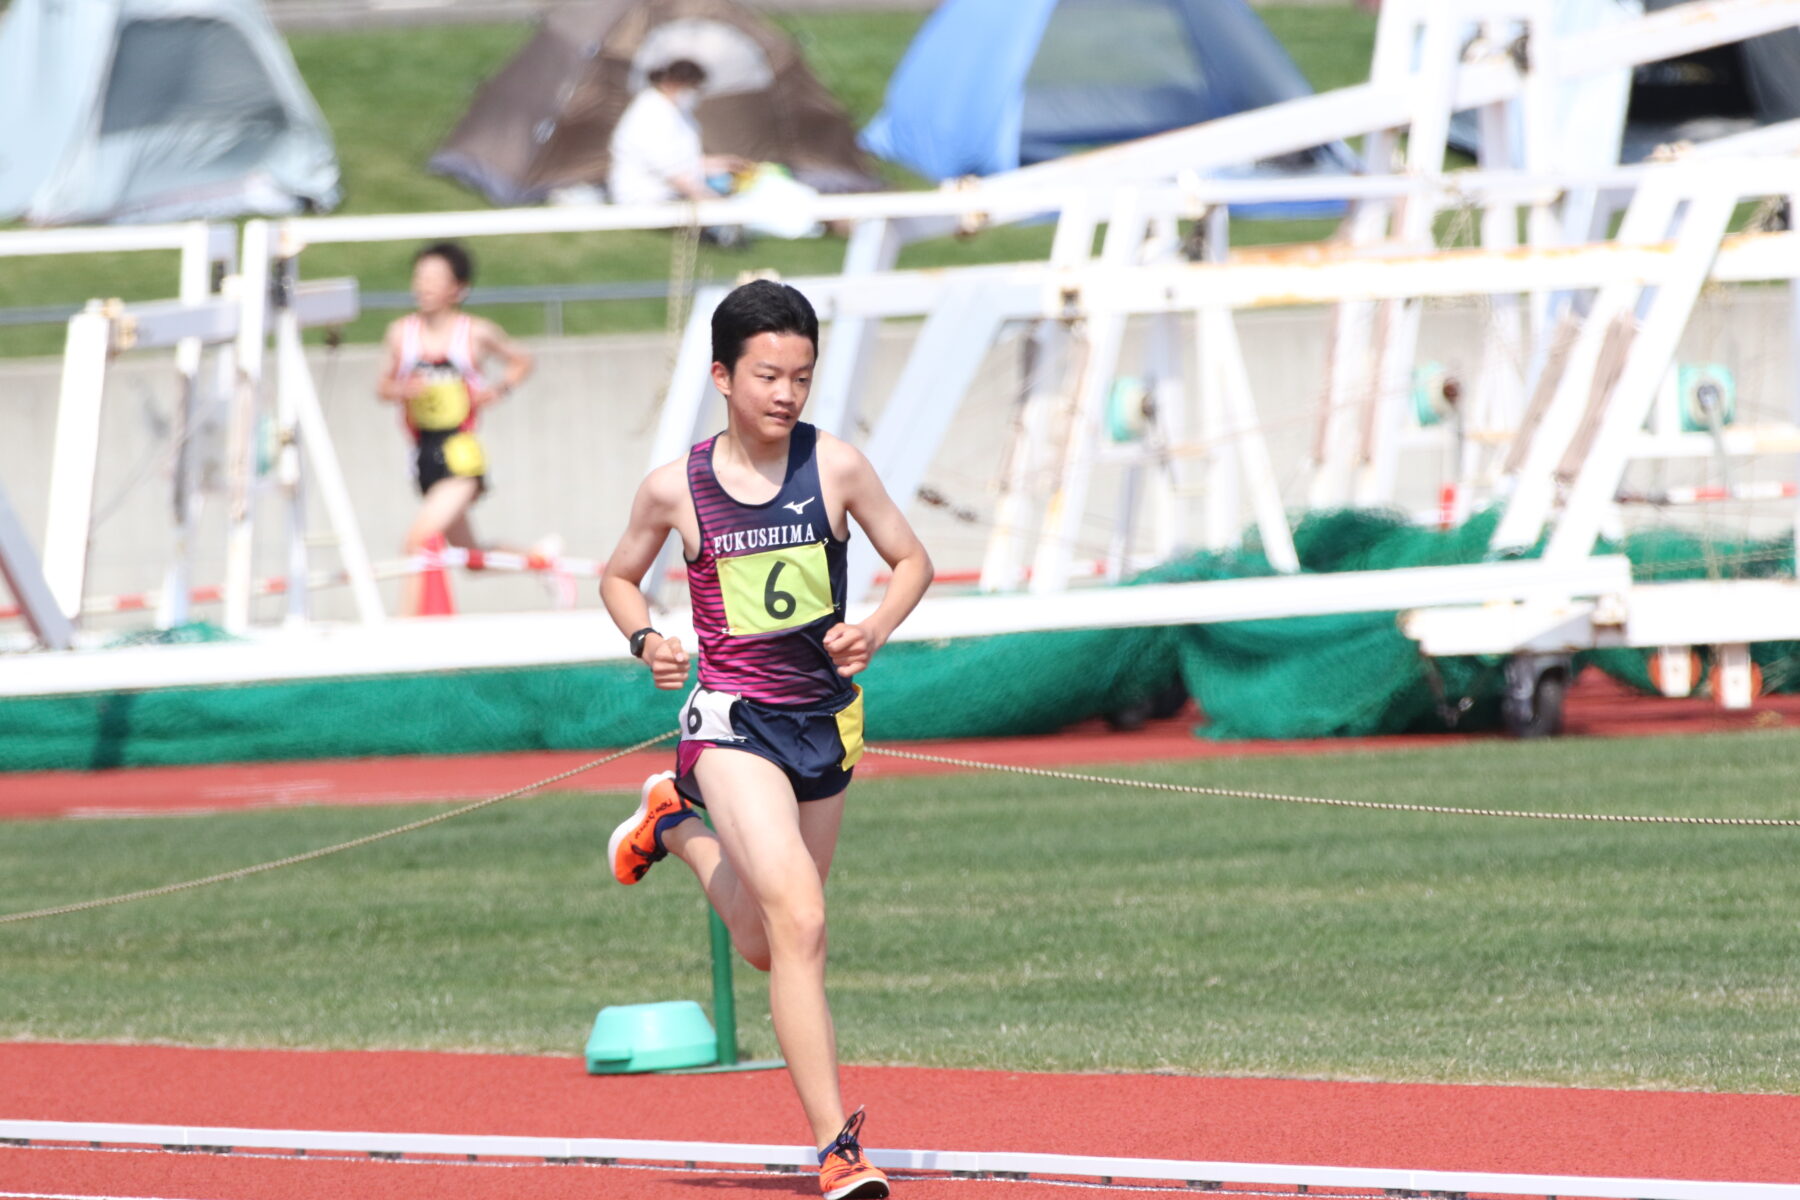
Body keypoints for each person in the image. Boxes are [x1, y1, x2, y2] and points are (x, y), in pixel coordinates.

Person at [599, 280, 932, 1200]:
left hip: (824, 725)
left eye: (802, 377)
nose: (786, 395)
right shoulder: (677, 487)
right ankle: (837, 1148)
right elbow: (620, 577)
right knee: (805, 922)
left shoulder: (840, 468)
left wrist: (875, 626)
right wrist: (648, 639)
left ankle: (671, 822)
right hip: (731, 722)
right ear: (723, 376)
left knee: (764, 940)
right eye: (767, 377)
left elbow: (913, 560)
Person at [377, 241, 534, 616]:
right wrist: (402, 389)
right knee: (471, 560)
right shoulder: (401, 333)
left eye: (434, 279)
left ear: (458, 288)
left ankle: (404, 638)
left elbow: (522, 360)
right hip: (422, 455)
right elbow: (382, 386)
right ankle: (541, 559)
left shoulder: (475, 332)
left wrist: (499, 389)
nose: (424, 286)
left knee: (416, 542)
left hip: (461, 454)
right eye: (419, 278)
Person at [607, 59, 749, 206]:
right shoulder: (650, 112)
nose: (694, 94)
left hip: (671, 191)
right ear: (673, 82)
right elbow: (671, 171)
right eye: (692, 88)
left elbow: (684, 161)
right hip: (646, 196)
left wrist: (725, 163)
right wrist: (711, 201)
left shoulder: (676, 110)